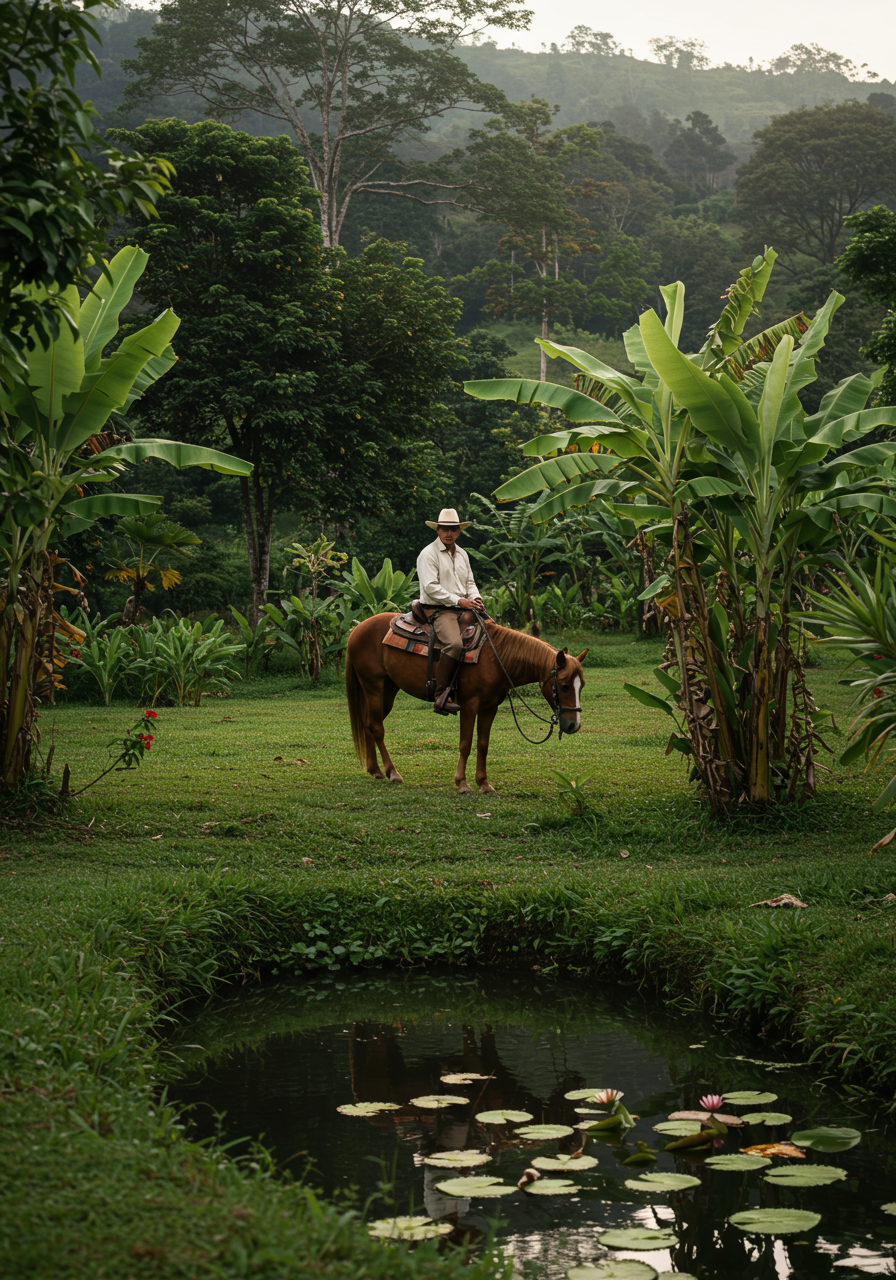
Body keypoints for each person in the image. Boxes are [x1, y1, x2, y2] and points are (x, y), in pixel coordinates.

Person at [416, 508, 485, 715]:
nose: (449, 533)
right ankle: (441, 695)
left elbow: (470, 583)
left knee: (490, 635)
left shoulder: (463, 554)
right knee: (454, 644)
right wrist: (458, 601)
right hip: (439, 609)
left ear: (459, 531)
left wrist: (476, 598)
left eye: (453, 529)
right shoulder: (428, 554)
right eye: (445, 529)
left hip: (463, 606)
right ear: (438, 529)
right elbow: (430, 587)